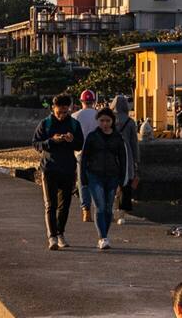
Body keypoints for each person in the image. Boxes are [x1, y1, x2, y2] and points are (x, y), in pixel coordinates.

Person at [33, 94, 84, 250]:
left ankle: (60, 233)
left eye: (65, 109)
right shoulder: (45, 124)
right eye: (59, 109)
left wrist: (71, 140)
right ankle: (52, 237)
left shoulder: (74, 124)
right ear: (53, 108)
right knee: (50, 204)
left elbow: (80, 145)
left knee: (65, 205)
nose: (62, 112)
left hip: (68, 168)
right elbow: (36, 144)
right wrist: (51, 141)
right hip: (49, 168)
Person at [80, 108, 129, 249]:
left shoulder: (118, 138)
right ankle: (103, 237)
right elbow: (84, 158)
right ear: (98, 121)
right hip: (95, 175)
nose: (105, 124)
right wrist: (83, 178)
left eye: (108, 120)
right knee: (100, 207)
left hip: (113, 176)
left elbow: (123, 159)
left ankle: (104, 234)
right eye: (102, 121)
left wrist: (122, 181)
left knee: (108, 208)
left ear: (112, 121)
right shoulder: (92, 137)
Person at [109, 96, 143, 217]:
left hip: (111, 154)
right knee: (126, 184)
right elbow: (134, 143)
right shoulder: (130, 122)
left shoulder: (109, 120)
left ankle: (111, 209)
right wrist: (136, 160)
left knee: (111, 183)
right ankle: (122, 213)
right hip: (127, 154)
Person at [71, 90, 102, 222]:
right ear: (94, 101)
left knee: (82, 181)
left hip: (81, 153)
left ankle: (86, 211)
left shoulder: (74, 116)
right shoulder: (99, 116)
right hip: (97, 153)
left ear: (81, 101)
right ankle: (99, 209)